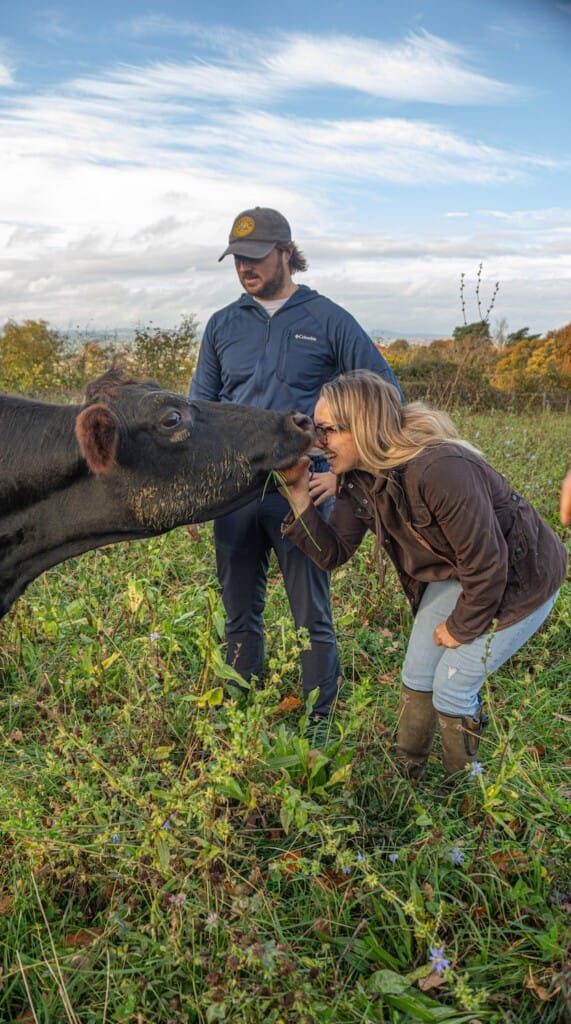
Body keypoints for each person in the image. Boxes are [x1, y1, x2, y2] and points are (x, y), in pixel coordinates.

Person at [278, 369, 567, 778]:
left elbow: (488, 565)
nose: (318, 443)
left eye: (327, 430)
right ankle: (408, 773)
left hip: (521, 577)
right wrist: (297, 494)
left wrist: (460, 627)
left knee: (452, 686)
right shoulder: (357, 476)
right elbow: (334, 553)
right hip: (460, 571)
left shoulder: (440, 469)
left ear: (362, 427)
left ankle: (463, 788)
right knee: (417, 673)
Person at [189, 207, 400, 734]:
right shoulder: (222, 325)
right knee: (239, 616)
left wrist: (338, 471)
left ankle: (318, 728)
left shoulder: (327, 319)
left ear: (287, 253)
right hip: (234, 497)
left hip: (301, 493)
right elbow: (201, 414)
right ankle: (238, 724)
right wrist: (195, 491)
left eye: (257, 257)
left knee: (312, 618)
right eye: (238, 259)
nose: (246, 268)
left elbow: (385, 393)